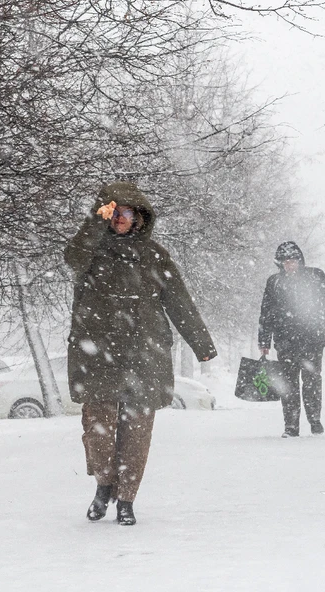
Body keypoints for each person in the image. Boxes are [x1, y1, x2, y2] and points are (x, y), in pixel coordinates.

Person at [64, 181, 216, 526]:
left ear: (139, 217)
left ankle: (127, 500)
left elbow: (178, 300)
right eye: (115, 212)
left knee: (137, 432)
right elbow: (72, 258)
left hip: (142, 352)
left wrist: (201, 344)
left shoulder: (154, 255)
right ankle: (104, 485)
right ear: (106, 213)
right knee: (97, 430)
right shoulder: (91, 250)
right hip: (97, 354)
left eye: (128, 212)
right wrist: (93, 221)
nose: (121, 218)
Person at [257, 241, 325, 438]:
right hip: (285, 342)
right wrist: (264, 341)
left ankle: (314, 420)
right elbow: (266, 313)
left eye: (293, 261)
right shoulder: (274, 282)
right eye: (285, 262)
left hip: (312, 339)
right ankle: (291, 426)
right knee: (289, 384)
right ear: (280, 264)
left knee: (311, 380)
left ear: (300, 261)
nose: (290, 265)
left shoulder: (315, 276)